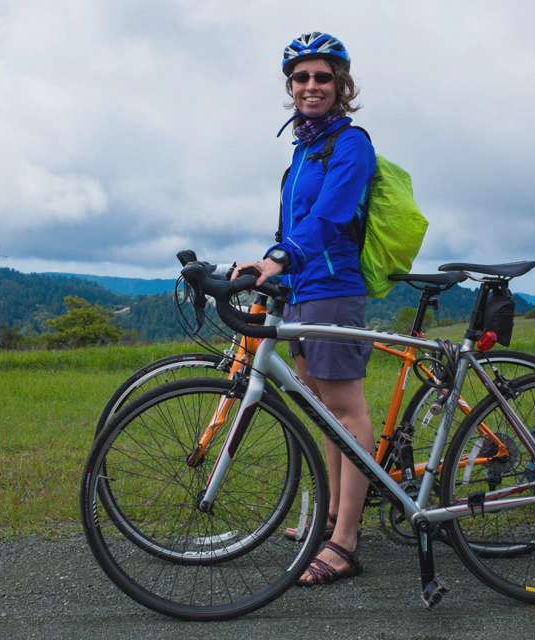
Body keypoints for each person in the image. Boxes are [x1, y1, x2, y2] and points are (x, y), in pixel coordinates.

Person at [232, 32, 376, 587]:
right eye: (301, 78)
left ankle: (346, 541)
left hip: (334, 287)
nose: (311, 86)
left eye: (322, 77)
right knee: (323, 408)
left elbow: (332, 216)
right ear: (290, 86)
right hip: (304, 287)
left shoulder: (349, 144)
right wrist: (269, 268)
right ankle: (334, 514)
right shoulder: (304, 148)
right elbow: (293, 226)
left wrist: (280, 256)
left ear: (341, 84)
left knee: (345, 407)